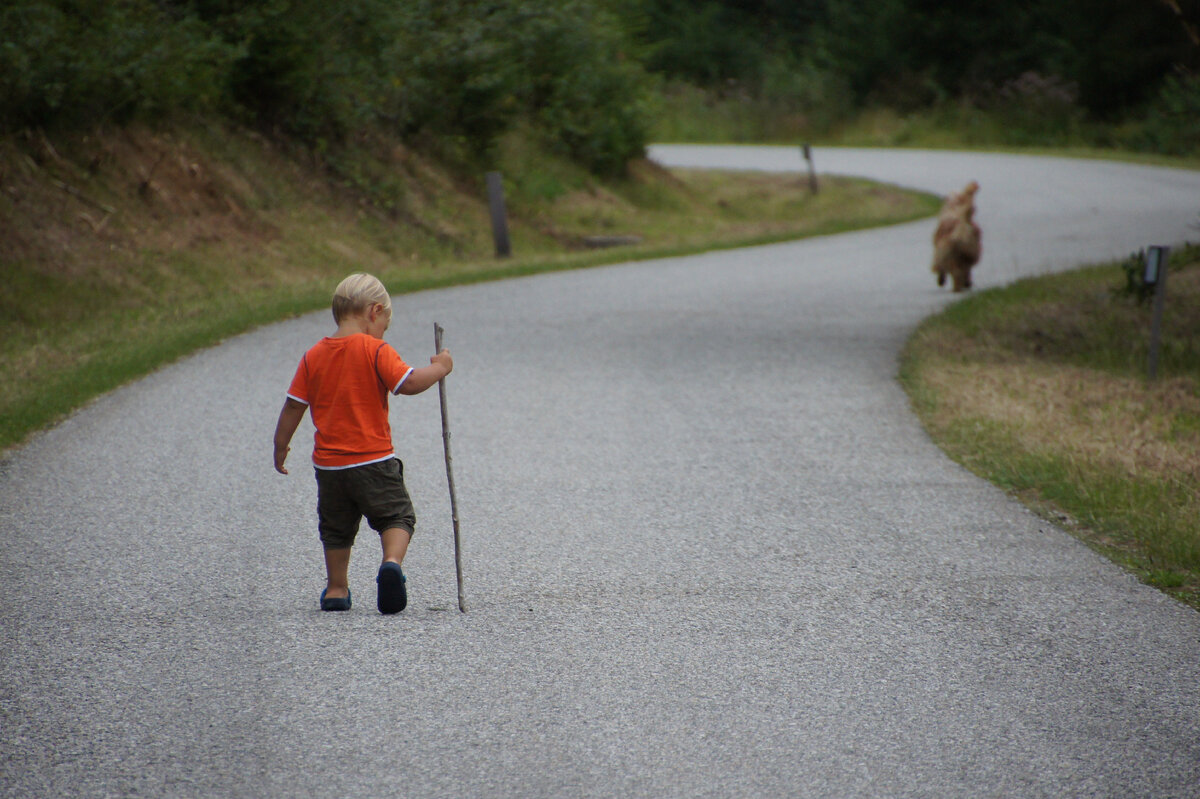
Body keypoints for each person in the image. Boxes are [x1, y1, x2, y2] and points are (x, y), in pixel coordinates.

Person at [273, 273, 452, 614]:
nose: (384, 329)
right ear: (374, 311)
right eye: (385, 321)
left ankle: (337, 589)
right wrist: (441, 368)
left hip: (330, 467)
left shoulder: (313, 356)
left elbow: (294, 404)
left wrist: (280, 445)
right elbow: (409, 383)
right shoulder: (375, 349)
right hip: (374, 460)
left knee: (336, 529)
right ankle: (391, 563)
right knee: (397, 516)